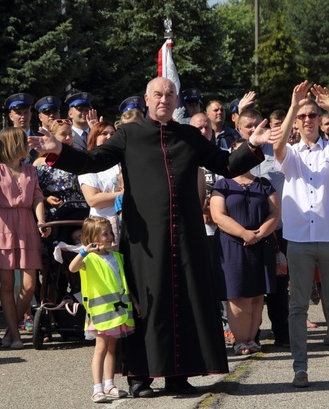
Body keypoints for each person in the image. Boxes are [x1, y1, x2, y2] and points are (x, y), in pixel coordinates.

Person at [28, 77, 277, 397]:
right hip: (144, 238)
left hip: (185, 236)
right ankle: (139, 376)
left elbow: (226, 164)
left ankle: (179, 374)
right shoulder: (129, 134)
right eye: (158, 94)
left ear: (176, 101)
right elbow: (93, 160)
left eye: (170, 94)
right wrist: (58, 151)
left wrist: (253, 145)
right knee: (146, 303)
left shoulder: (188, 136)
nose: (164, 99)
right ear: (147, 99)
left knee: (185, 301)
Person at [273, 80, 329, 388]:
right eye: (302, 117)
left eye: (312, 115)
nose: (308, 120)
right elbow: (277, 147)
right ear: (296, 122)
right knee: (297, 307)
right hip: (298, 239)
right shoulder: (292, 153)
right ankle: (300, 369)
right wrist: (294, 106)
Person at [0, 127, 50, 350]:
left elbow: (37, 197)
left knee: (29, 284)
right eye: (24, 142)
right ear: (14, 144)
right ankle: (15, 335)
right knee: (6, 285)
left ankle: (10, 330)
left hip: (26, 223)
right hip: (2, 224)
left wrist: (41, 221)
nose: (27, 145)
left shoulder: (30, 170)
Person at [210, 139, 281, 355]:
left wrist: (259, 234)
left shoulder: (263, 183)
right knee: (237, 295)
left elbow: (275, 212)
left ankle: (252, 340)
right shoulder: (222, 184)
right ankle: (240, 340)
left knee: (258, 295)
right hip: (232, 246)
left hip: (261, 244)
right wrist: (244, 234)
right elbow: (217, 215)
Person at [69, 216, 135, 402]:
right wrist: (84, 252)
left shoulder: (116, 256)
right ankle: (97, 387)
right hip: (99, 313)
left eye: (110, 232)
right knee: (101, 348)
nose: (110, 236)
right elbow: (72, 268)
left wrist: (134, 302)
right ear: (92, 238)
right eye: (105, 233)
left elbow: (124, 282)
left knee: (112, 349)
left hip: (117, 312)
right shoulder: (88, 259)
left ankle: (109, 384)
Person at [78, 122, 121, 238]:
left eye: (113, 134)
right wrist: (124, 195)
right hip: (103, 228)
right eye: (104, 134)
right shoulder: (88, 164)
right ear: (94, 138)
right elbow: (93, 200)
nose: (109, 137)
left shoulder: (124, 162)